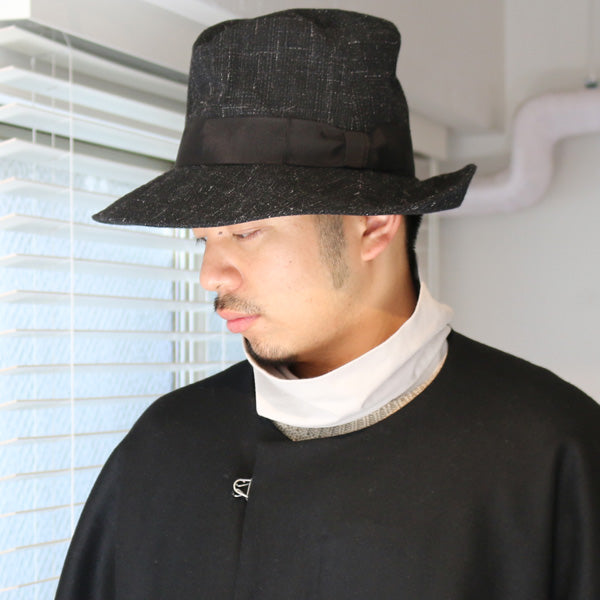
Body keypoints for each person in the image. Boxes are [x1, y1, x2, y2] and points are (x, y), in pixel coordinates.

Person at [55, 9, 600, 599]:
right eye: (203, 239)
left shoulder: (549, 450)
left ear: (374, 224)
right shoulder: (165, 446)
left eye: (246, 232)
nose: (211, 275)